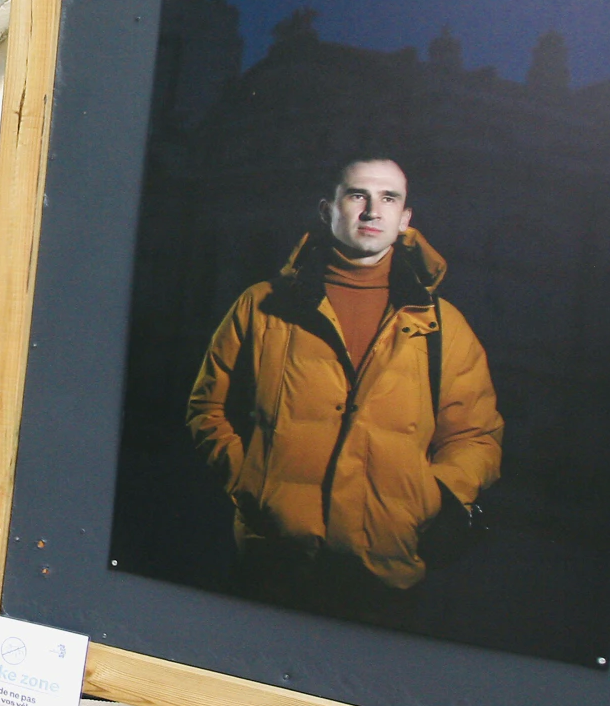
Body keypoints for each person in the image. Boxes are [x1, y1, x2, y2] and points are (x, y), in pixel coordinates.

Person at [186, 157, 504, 593]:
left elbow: (476, 435)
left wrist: (431, 501)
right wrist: (250, 485)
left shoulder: (443, 325)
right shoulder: (261, 306)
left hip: (386, 573)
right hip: (272, 562)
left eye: (389, 198)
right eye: (358, 195)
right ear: (327, 210)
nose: (373, 211)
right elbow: (207, 408)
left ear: (405, 217)